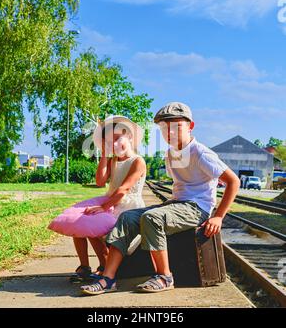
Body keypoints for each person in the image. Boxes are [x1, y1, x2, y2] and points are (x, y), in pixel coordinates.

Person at [80, 102, 240, 295]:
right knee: (127, 217)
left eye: (176, 127)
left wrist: (218, 216)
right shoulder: (171, 153)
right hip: (178, 204)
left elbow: (233, 182)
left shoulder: (201, 153)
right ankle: (109, 277)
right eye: (164, 128)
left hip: (198, 208)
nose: (170, 133)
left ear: (190, 126)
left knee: (152, 218)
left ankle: (165, 276)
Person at [48, 115, 146, 282]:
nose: (114, 144)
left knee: (92, 222)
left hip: (127, 208)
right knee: (79, 220)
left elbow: (124, 189)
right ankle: (85, 266)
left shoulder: (137, 161)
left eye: (117, 138)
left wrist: (104, 207)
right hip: (110, 202)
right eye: (109, 141)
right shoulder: (113, 159)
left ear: (129, 136)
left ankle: (104, 264)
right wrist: (104, 156)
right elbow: (100, 182)